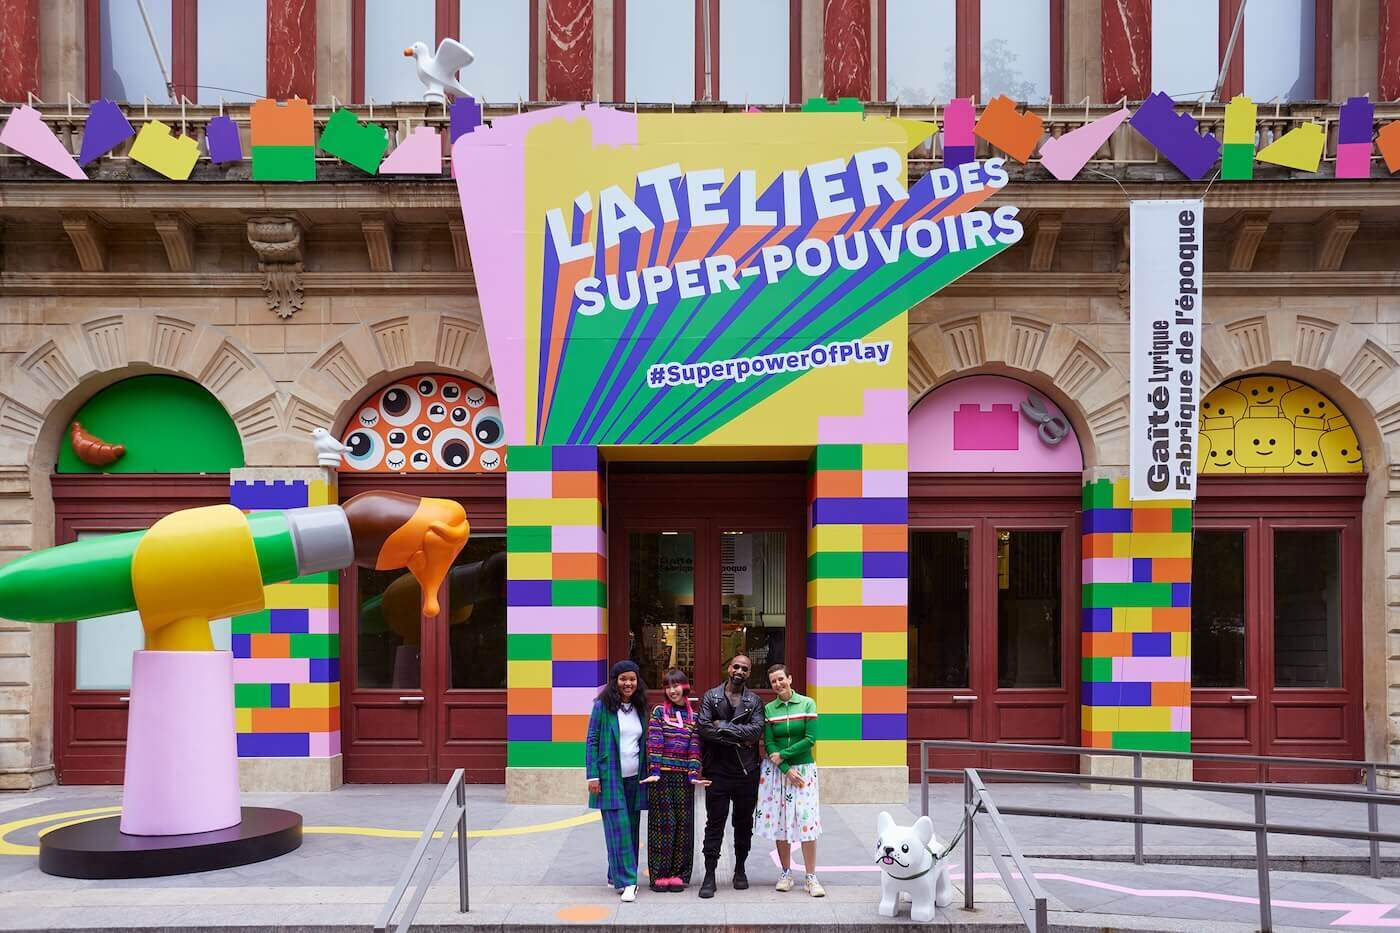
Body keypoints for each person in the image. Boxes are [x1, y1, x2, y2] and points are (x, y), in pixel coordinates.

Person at [695, 653, 765, 898]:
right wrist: (739, 737)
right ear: (729, 668)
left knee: (743, 824)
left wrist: (722, 726)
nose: (740, 671)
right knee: (715, 823)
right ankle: (710, 874)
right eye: (736, 666)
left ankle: (740, 869)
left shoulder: (754, 700)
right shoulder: (710, 696)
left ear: (749, 673)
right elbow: (703, 728)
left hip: (747, 772)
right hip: (718, 771)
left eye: (745, 669)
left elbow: (756, 731)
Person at [755, 663, 824, 897]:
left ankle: (811, 877)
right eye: (773, 681)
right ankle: (785, 872)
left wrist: (784, 755)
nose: (778, 684)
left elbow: (810, 739)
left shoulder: (807, 703)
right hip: (778, 772)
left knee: (807, 822)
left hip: (803, 770)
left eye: (781, 679)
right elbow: (769, 742)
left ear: (790, 678)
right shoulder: (769, 709)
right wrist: (784, 767)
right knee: (781, 822)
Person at [586, 660, 651, 903]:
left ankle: (617, 873)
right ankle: (628, 882)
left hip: (636, 778)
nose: (628, 683)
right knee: (618, 828)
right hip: (610, 777)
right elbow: (592, 739)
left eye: (632, 679)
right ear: (615, 681)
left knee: (631, 830)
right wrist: (592, 774)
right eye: (623, 679)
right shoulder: (602, 706)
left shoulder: (640, 706)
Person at [644, 668, 709, 892]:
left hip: (683, 780)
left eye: (676, 685)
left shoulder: (694, 716)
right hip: (660, 778)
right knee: (663, 826)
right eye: (668, 686)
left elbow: (694, 747)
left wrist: (693, 775)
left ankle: (679, 875)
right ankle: (659, 876)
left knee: (683, 826)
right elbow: (654, 741)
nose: (672, 690)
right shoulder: (659, 711)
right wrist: (654, 770)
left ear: (685, 687)